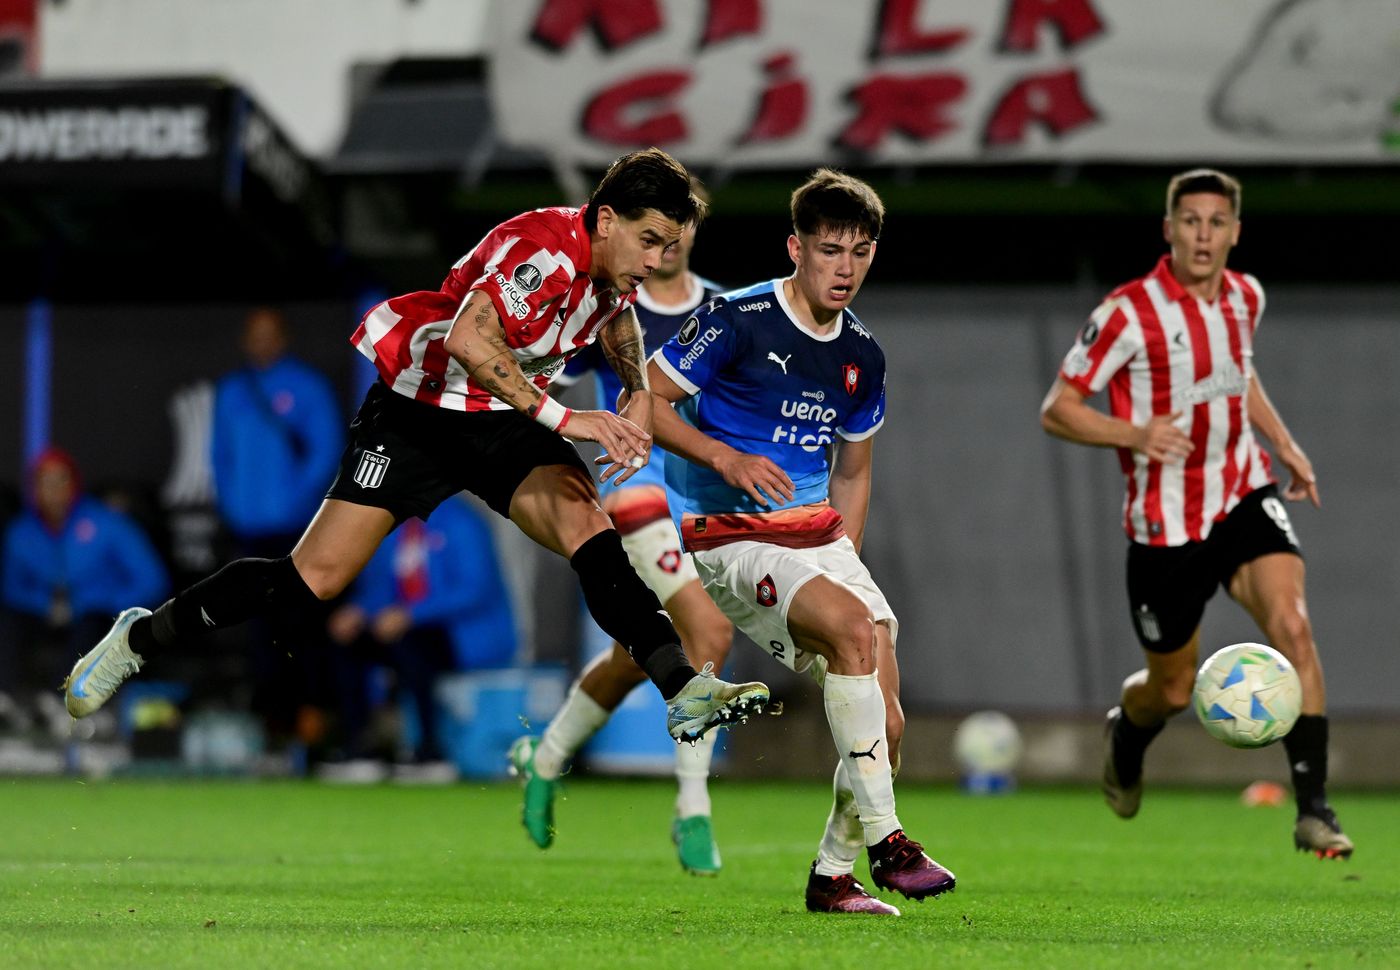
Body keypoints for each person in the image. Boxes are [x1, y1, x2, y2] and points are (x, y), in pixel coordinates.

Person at [62, 148, 769, 761]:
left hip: (500, 420)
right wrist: (570, 418)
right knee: (313, 579)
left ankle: (683, 687)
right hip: (418, 416)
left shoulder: (611, 272)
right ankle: (141, 636)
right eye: (649, 241)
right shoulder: (541, 251)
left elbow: (617, 323)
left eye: (667, 247)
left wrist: (638, 390)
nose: (656, 261)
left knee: (589, 527)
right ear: (606, 219)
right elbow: (468, 339)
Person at [633, 169, 956, 915]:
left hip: (816, 539)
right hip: (732, 536)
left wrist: (844, 568)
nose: (845, 268)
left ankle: (832, 877)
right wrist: (724, 457)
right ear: (796, 248)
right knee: (852, 635)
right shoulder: (737, 318)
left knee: (888, 725)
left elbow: (854, 471)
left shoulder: (863, 355)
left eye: (860, 252)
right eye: (830, 250)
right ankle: (889, 842)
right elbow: (643, 399)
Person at [1039, 168, 1353, 859]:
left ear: (1235, 232)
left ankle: (1314, 809)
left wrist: (1283, 443)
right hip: (1166, 523)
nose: (1203, 235)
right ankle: (1128, 734)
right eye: (1191, 221)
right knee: (1173, 689)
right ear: (1169, 230)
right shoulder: (1127, 312)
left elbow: (1238, 373)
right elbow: (1058, 409)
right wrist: (1135, 433)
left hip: (1243, 490)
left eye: (1216, 222)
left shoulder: (1246, 296)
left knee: (1294, 627)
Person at [508, 198, 736, 874]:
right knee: (709, 633)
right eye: (652, 233)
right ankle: (693, 807)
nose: (663, 246)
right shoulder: (606, 301)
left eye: (676, 232)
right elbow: (539, 377)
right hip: (636, 492)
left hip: (702, 499)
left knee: (635, 655)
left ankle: (545, 757)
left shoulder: (725, 310)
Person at [211, 306, 344, 741]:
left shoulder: (307, 387)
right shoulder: (232, 390)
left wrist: (293, 502)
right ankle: (271, 727)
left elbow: (326, 451)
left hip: (296, 531)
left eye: (270, 334)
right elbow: (220, 457)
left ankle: (312, 726)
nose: (262, 343)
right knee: (258, 632)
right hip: (249, 532)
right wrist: (234, 507)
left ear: (283, 339)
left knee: (301, 625)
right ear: (244, 341)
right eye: (255, 335)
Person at [324, 493, 517, 782]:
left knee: (413, 649)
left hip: (460, 634)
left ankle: (429, 751)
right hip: (405, 630)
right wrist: (360, 611)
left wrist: (411, 614)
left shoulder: (461, 520)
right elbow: (381, 586)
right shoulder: (392, 524)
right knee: (349, 643)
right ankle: (360, 748)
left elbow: (474, 588)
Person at [1, 448, 167, 703]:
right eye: (45, 482)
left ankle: (64, 699)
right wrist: (45, 604)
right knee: (8, 621)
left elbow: (152, 580)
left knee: (94, 622)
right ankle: (7, 697)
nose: (54, 490)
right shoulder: (21, 532)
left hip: (99, 613)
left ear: (74, 483)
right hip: (45, 613)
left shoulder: (107, 523)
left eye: (61, 480)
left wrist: (101, 601)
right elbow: (11, 587)